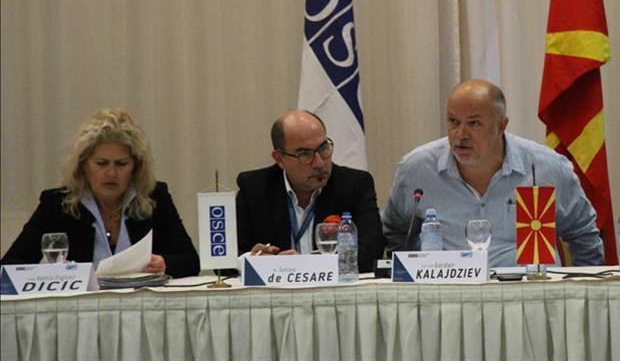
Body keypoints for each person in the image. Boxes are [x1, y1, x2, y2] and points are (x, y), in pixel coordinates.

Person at [382, 79, 604, 268]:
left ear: (501, 126)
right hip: (448, 296)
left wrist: (584, 291)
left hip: (531, 294)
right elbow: (395, 232)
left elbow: (583, 235)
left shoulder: (546, 167)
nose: (460, 134)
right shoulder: (418, 169)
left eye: (474, 123)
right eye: (453, 122)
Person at [1, 109, 200, 277]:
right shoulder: (57, 204)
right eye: (101, 164)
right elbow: (8, 266)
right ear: (83, 165)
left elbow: (190, 261)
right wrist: (50, 271)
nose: (111, 173)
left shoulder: (154, 197)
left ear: (135, 167)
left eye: (121, 164)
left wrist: (164, 264)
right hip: (79, 309)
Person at [235, 110, 385, 272]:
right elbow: (229, 256)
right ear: (279, 158)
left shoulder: (355, 185)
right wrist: (259, 261)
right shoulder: (254, 188)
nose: (319, 163)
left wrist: (303, 266)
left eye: (323, 148)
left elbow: (371, 251)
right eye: (305, 154)